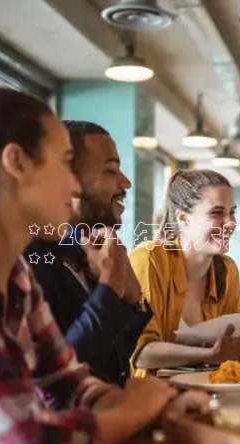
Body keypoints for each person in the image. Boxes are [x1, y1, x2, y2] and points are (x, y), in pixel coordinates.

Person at [0, 87, 176, 444]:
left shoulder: (15, 274)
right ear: (17, 163)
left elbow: (68, 382)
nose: (75, 187)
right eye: (65, 163)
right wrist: (135, 409)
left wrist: (162, 407)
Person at [21, 121, 150, 386]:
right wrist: (110, 288)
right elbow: (59, 374)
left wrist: (132, 297)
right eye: (111, 170)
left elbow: (115, 356)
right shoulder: (29, 258)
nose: (126, 182)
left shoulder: (85, 248)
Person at [130, 169, 240, 376]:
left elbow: (231, 349)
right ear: (183, 218)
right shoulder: (149, 260)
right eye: (217, 213)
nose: (231, 223)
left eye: (232, 212)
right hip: (153, 397)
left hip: (211, 392)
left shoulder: (227, 269)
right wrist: (210, 355)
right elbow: (141, 354)